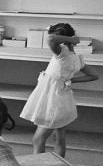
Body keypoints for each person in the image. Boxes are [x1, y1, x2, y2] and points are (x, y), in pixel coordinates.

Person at [20, 23, 98, 157]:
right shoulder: (77, 58)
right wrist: (71, 80)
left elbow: (50, 38)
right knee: (59, 137)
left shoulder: (61, 53)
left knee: (38, 138)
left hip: (52, 99)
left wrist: (72, 40)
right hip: (64, 98)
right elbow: (94, 75)